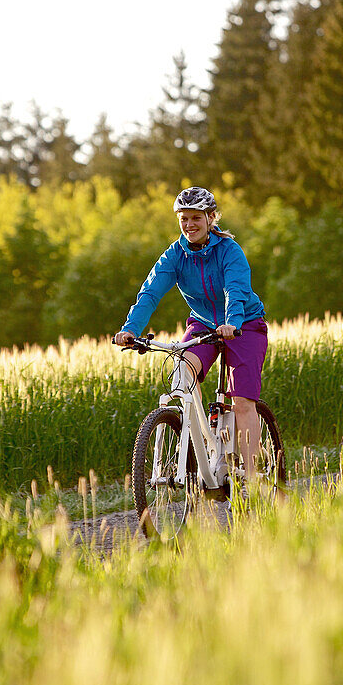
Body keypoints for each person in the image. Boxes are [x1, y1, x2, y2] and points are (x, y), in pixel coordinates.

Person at [113, 187, 268, 476]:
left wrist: (233, 322)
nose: (189, 225)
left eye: (196, 218)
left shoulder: (229, 251)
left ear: (211, 218)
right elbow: (150, 293)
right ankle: (208, 442)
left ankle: (252, 477)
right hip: (203, 324)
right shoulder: (175, 255)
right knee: (183, 370)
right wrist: (130, 329)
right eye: (183, 219)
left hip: (244, 324)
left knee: (242, 401)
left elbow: (235, 290)